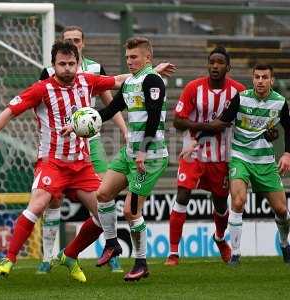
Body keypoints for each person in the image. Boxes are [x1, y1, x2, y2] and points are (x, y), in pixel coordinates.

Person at [0, 41, 135, 283]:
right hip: (52, 162)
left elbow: (117, 80)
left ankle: (69, 255)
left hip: (82, 164)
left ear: (78, 64)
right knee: (38, 204)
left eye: (72, 63)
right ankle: (8, 259)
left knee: (104, 215)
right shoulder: (41, 89)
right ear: (53, 65)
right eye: (62, 64)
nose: (68, 68)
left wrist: (149, 72)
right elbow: (9, 110)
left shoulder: (87, 81)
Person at [62, 37, 168, 281]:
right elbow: (109, 111)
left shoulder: (153, 80)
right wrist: (75, 126)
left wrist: (143, 149)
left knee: (132, 212)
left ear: (147, 58)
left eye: (134, 57)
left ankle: (141, 262)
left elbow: (153, 117)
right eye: (128, 57)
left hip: (149, 156)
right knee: (102, 194)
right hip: (129, 152)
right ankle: (112, 244)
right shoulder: (130, 82)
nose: (129, 61)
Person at [36, 25, 127, 274]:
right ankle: (48, 256)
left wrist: (125, 130)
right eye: (68, 40)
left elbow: (111, 102)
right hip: (59, 145)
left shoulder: (95, 69)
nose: (73, 43)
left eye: (77, 39)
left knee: (103, 195)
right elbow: (41, 106)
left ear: (83, 43)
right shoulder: (48, 72)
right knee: (53, 198)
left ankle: (111, 251)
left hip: (91, 143)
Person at [164, 47, 246, 266]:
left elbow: (247, 120)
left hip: (222, 157)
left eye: (220, 63)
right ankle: (173, 253)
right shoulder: (193, 88)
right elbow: (178, 121)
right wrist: (208, 127)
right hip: (194, 154)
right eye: (212, 62)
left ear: (228, 67)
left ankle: (220, 239)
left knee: (220, 203)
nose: (215, 66)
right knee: (182, 195)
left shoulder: (238, 91)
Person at [202, 64, 290, 265]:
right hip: (240, 156)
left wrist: (286, 154)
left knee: (282, 210)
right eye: (257, 77)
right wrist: (195, 138)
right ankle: (236, 253)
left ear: (271, 80)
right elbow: (222, 121)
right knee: (238, 201)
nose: (260, 81)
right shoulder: (241, 98)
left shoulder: (280, 102)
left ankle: (285, 244)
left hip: (265, 161)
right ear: (253, 79)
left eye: (264, 77)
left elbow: (288, 129)